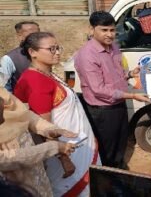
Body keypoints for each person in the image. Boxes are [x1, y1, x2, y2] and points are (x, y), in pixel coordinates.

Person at [14, 32, 100, 196]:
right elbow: (45, 127)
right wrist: (64, 159)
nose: (58, 52)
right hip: (64, 152)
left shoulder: (47, 73)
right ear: (33, 52)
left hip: (75, 144)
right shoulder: (35, 81)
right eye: (51, 49)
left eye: (58, 48)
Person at [74, 11, 150, 169]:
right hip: (102, 110)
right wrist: (132, 96)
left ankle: (119, 168)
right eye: (104, 30)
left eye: (112, 30)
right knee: (106, 148)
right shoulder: (87, 55)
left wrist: (129, 74)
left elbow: (116, 74)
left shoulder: (114, 47)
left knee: (120, 140)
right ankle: (109, 178)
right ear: (92, 29)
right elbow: (98, 89)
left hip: (118, 103)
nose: (109, 34)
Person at [0, 84, 77, 197]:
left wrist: (49, 129)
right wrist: (53, 147)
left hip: (34, 161)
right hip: (13, 174)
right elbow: (4, 159)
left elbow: (23, 114)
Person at [0, 21, 40, 92]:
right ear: (19, 36)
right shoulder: (8, 59)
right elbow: (3, 90)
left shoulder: (45, 54)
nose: (37, 36)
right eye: (32, 33)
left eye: (39, 33)